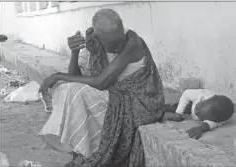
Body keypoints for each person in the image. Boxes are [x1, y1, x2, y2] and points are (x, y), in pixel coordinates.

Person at [38, 8, 165, 167]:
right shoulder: (94, 41)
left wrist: (57, 76)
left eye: (119, 40)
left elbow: (101, 82)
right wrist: (75, 53)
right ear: (99, 38)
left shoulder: (133, 42)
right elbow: (76, 77)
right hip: (115, 94)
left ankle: (87, 154)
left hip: (139, 100)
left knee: (77, 92)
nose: (118, 46)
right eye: (113, 43)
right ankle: (81, 153)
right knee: (64, 89)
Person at [164, 89, 234, 139]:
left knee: (183, 109)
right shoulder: (202, 94)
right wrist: (178, 114)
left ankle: (166, 108)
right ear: (204, 100)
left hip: (194, 107)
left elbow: (209, 124)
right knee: (177, 107)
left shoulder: (218, 119)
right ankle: (165, 107)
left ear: (212, 119)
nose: (196, 112)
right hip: (192, 103)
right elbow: (186, 94)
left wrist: (200, 128)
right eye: (198, 108)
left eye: (200, 116)